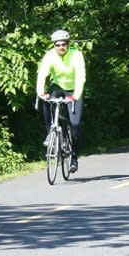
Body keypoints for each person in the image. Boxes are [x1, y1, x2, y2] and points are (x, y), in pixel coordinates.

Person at [36, 29, 86, 173]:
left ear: (68, 44)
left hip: (74, 90)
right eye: (57, 45)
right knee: (48, 100)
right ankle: (50, 132)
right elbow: (42, 74)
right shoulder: (49, 56)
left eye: (64, 44)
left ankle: (74, 158)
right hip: (57, 87)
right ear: (54, 45)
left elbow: (81, 76)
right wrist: (40, 91)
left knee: (75, 126)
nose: (61, 47)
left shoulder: (76, 55)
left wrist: (76, 95)